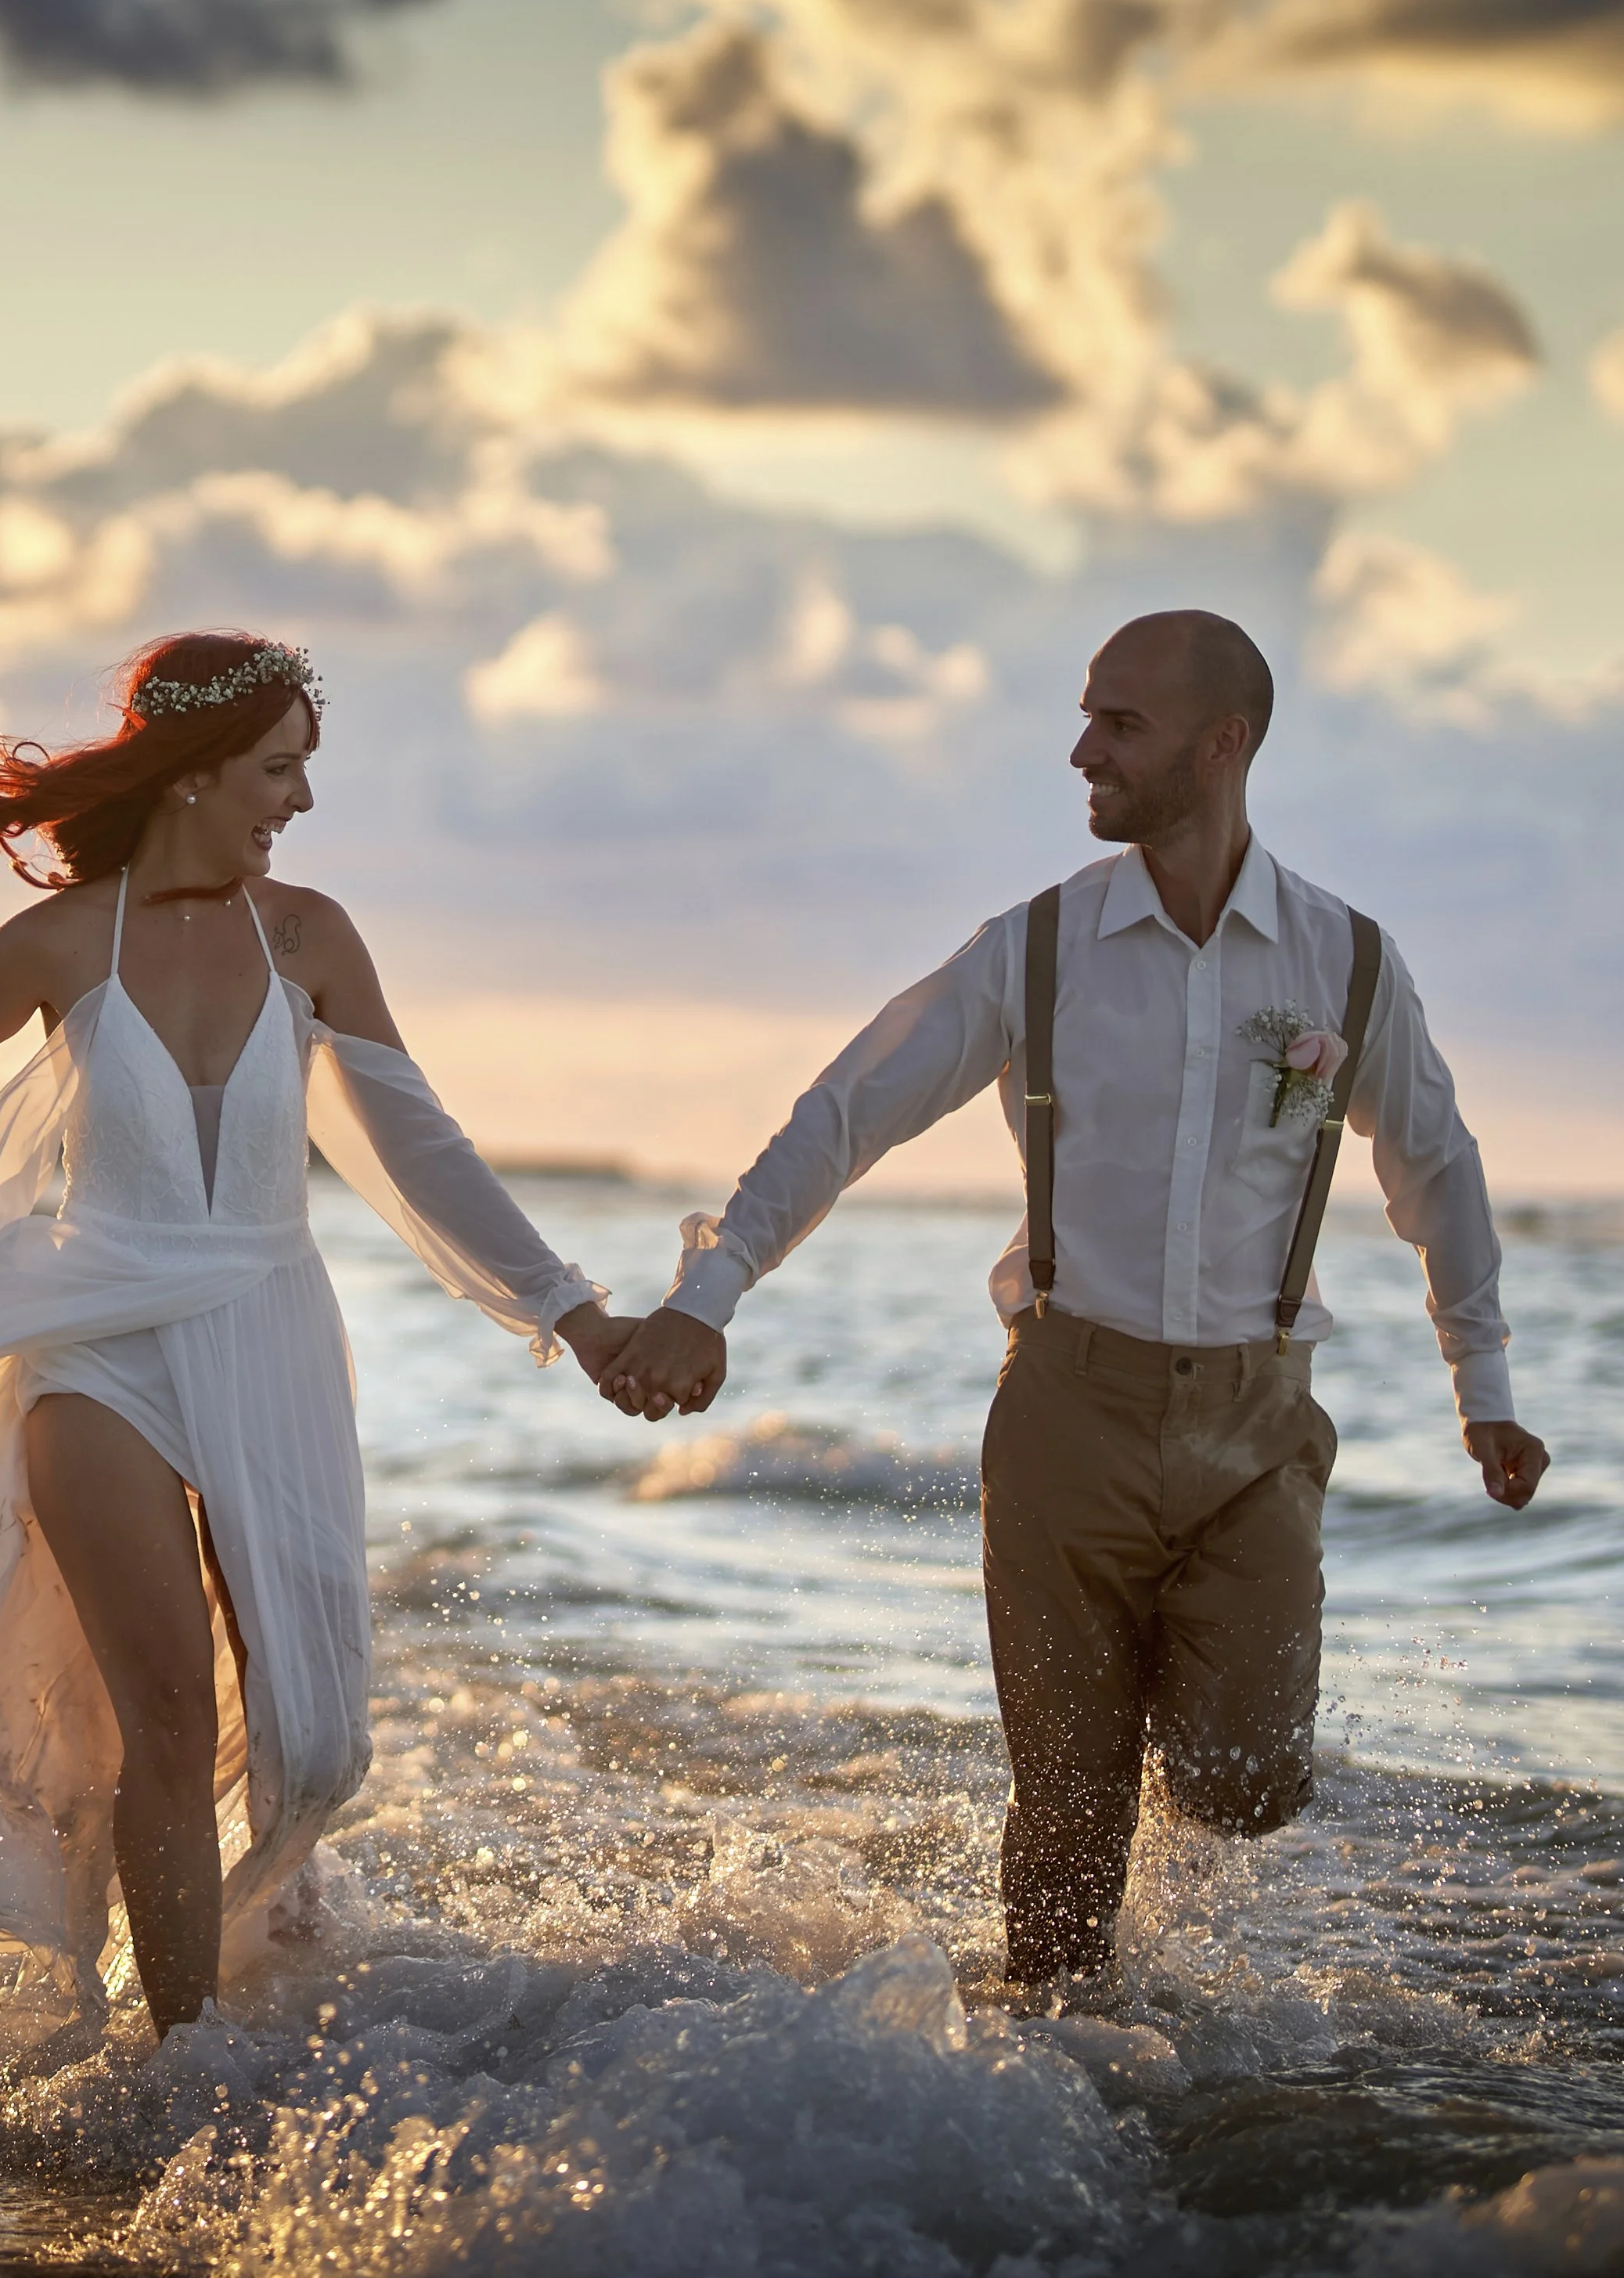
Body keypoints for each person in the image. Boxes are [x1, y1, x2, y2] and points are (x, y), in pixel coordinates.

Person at [597, 611, 1550, 1994]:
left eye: (1119, 725)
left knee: (1245, 1783)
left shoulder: (1343, 964)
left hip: (1256, 1428)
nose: (1080, 751)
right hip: (1064, 1416)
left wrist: (1488, 1392)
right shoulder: (1033, 949)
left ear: (1222, 746)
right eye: (1087, 716)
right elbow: (847, 1112)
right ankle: (1065, 2083)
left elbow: (1437, 1173)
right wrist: (709, 1293)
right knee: (1064, 1812)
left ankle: (1161, 1786)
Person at [0, 631, 634, 2049]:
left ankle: (257, 1937)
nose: (300, 800)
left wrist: (575, 1319)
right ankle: (186, 2061)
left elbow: (419, 1145)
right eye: (281, 769)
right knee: (159, 1708)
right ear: (197, 772)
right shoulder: (64, 939)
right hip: (94, 1344)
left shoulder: (311, 938)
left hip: (269, 1329)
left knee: (311, 1737)